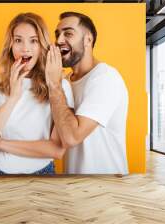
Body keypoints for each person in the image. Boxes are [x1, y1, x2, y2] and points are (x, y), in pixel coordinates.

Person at [0, 13, 74, 175]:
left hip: (43, 175)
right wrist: (13, 98)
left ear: (42, 47)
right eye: (18, 40)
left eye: (33, 41)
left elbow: (57, 150)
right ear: (10, 45)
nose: (25, 48)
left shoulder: (59, 86)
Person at [45, 12, 129, 174]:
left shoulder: (105, 78)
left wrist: (54, 85)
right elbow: (57, 136)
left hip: (105, 187)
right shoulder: (65, 81)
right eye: (58, 34)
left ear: (88, 39)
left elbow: (72, 137)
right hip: (75, 185)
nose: (59, 40)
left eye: (68, 33)